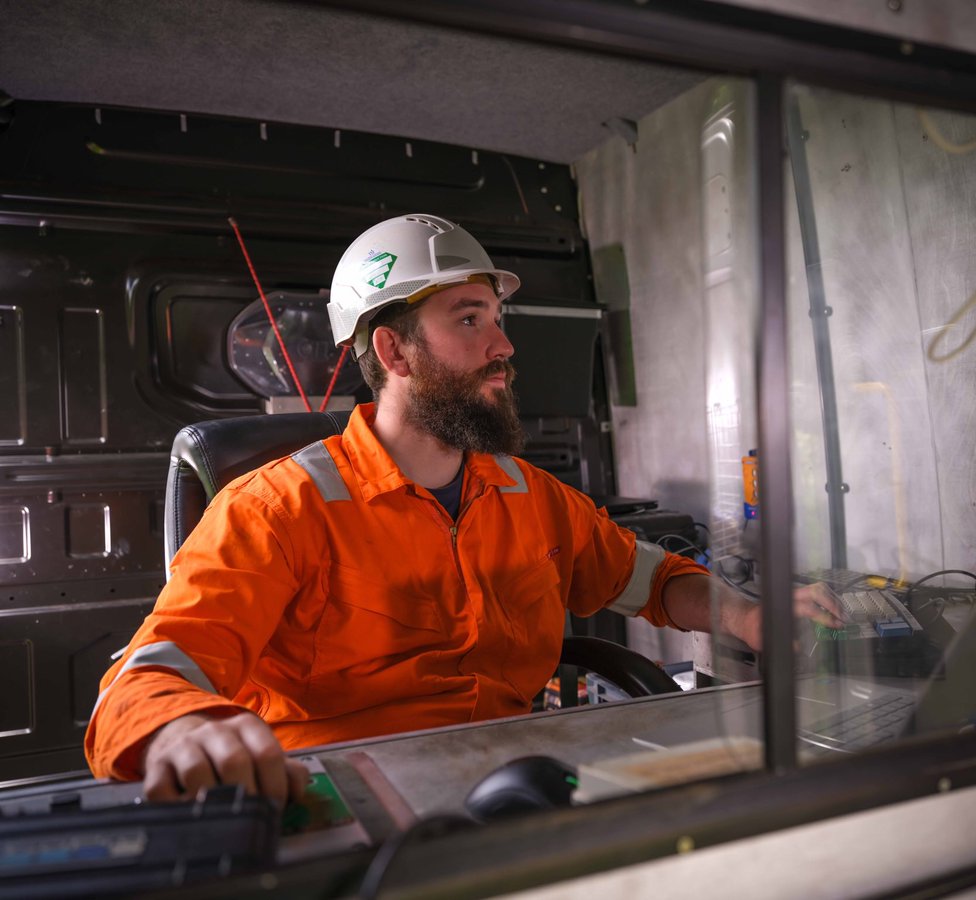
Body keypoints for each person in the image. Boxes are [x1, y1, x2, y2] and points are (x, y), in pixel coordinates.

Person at [84, 214, 847, 805]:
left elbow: (649, 578)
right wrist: (181, 729)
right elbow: (145, 677)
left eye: (496, 319)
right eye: (470, 319)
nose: (503, 345)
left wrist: (748, 614)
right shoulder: (277, 510)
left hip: (520, 780)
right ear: (394, 352)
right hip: (352, 800)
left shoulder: (525, 492)